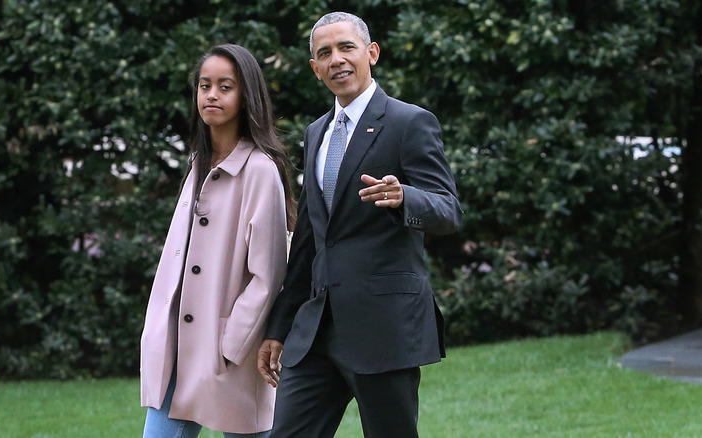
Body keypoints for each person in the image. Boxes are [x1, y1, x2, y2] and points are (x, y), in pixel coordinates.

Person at [257, 12, 463, 438]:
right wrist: (280, 325)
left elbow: (448, 209)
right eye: (324, 53)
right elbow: (312, 240)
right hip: (316, 332)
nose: (337, 59)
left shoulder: (410, 122)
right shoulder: (316, 133)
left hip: (383, 329)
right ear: (315, 69)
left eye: (346, 47)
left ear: (371, 53)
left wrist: (405, 196)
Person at [140, 43, 296, 438]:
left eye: (225, 86)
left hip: (229, 351)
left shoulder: (260, 171)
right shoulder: (197, 161)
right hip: (178, 344)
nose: (211, 95)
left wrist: (232, 343)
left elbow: (269, 273)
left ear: (246, 98)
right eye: (205, 85)